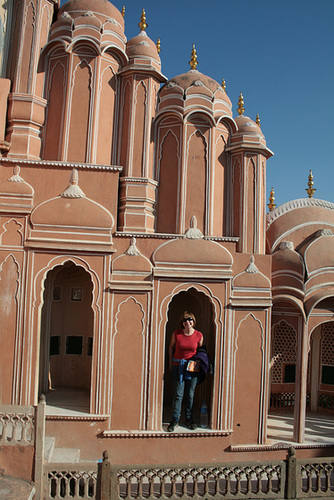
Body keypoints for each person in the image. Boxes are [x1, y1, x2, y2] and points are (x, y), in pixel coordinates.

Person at [167, 311, 203, 432]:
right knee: (178, 394)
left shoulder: (199, 335)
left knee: (190, 394)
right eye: (185, 320)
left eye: (190, 320)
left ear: (193, 321)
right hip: (179, 366)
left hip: (192, 368)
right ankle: (175, 419)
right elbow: (171, 347)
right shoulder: (177, 334)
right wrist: (171, 364)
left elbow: (200, 352)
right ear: (182, 323)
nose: (187, 322)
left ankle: (189, 418)